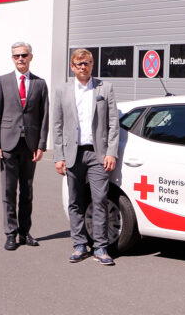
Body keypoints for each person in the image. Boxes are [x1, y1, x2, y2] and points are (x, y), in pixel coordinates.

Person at [53, 48, 119, 266]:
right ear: (72, 66)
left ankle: (100, 247)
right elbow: (58, 126)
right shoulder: (62, 90)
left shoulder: (105, 88)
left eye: (87, 63)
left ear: (92, 65)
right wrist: (58, 156)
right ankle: (79, 244)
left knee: (99, 200)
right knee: (75, 201)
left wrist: (111, 152)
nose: (83, 67)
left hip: (97, 154)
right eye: (79, 64)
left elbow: (112, 124)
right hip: (72, 154)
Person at [0, 42, 49, 251]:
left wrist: (41, 145)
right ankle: (10, 233)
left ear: (31, 57)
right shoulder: (3, 81)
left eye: (24, 55)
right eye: (16, 56)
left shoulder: (40, 84)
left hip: (29, 145)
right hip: (8, 144)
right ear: (12, 58)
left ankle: (25, 232)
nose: (20, 59)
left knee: (27, 191)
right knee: (8, 191)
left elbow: (44, 117)